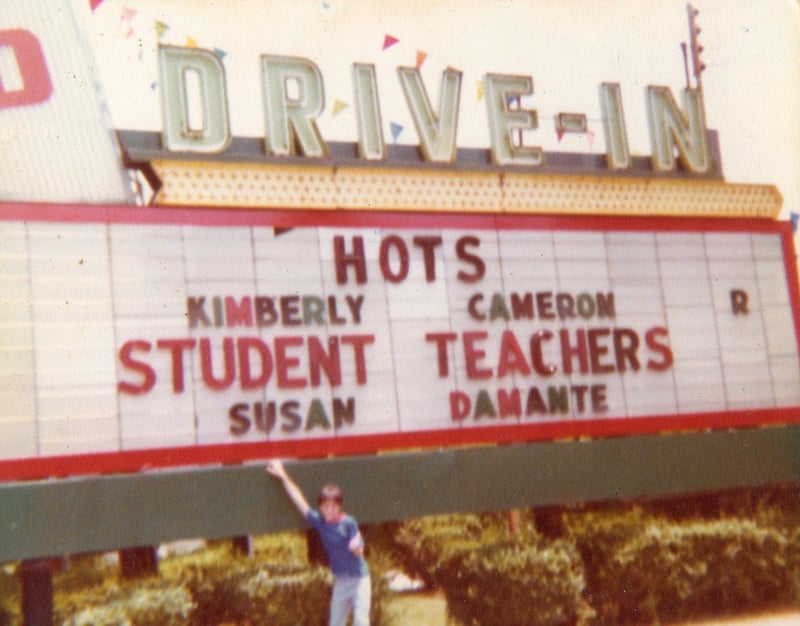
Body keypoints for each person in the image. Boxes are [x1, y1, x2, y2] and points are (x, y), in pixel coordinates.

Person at [266, 459, 371, 626]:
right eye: (325, 506)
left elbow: (359, 549)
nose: (329, 510)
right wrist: (282, 475)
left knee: (360, 622)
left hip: (359, 580)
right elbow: (299, 500)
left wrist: (355, 547)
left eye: (333, 506)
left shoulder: (349, 522)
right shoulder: (319, 522)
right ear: (321, 507)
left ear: (339, 507)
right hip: (341, 581)